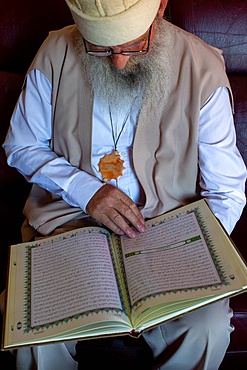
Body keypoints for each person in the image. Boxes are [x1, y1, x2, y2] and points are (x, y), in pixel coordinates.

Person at [1, 0, 246, 369]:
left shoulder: (202, 67)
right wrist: (86, 192)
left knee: (206, 326)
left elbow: (226, 190)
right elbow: (20, 145)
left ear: (160, 8)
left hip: (166, 231)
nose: (118, 61)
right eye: (100, 47)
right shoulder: (55, 51)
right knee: (35, 327)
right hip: (69, 226)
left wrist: (190, 253)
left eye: (133, 45)